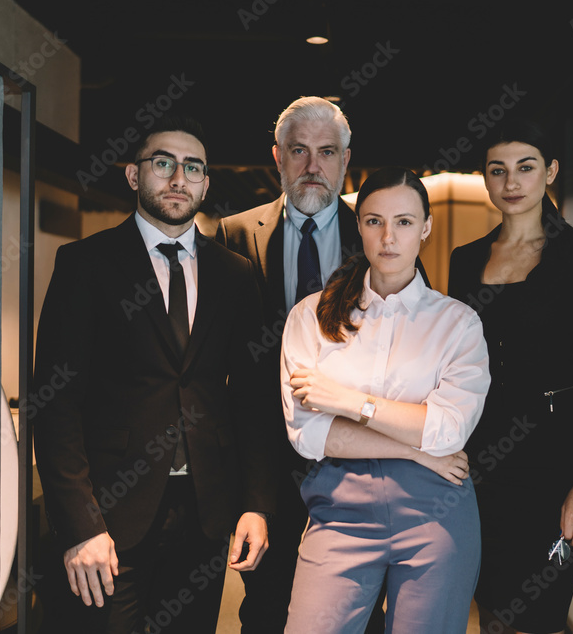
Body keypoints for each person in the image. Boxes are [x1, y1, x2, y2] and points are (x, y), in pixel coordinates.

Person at [33, 116, 274, 634]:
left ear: (207, 184)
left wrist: (256, 506)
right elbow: (55, 405)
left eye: (193, 168)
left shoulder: (234, 275)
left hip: (206, 516)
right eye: (163, 163)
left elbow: (252, 401)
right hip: (109, 519)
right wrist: (79, 527)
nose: (178, 178)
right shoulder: (85, 264)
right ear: (133, 175)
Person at [214, 96, 423, 632]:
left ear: (346, 160)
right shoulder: (233, 236)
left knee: (356, 612)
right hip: (264, 464)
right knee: (263, 609)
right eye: (299, 151)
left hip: (356, 456)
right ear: (277, 157)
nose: (313, 167)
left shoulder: (377, 233)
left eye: (326, 152)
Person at [280, 167, 491, 633]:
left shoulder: (457, 324)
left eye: (404, 222)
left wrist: (347, 401)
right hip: (340, 509)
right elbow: (309, 434)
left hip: (436, 514)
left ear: (426, 228)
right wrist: (415, 448)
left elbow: (449, 429)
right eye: (374, 221)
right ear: (359, 227)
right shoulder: (310, 317)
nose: (388, 237)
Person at [447, 121, 573, 634]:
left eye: (526, 167)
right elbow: (455, 364)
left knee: (536, 617)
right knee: (493, 615)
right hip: (478, 464)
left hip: (556, 465)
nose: (511, 182)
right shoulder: (465, 259)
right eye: (497, 171)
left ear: (551, 171)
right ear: (485, 178)